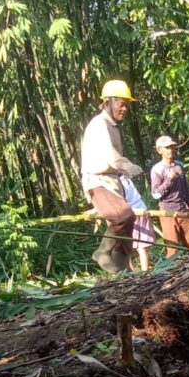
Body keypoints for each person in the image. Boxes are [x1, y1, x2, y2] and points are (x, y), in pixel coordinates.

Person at [81, 80, 143, 273]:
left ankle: (124, 270)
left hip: (112, 182)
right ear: (107, 102)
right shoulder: (99, 125)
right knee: (122, 216)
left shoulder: (113, 126)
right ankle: (102, 252)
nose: (124, 109)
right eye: (120, 104)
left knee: (128, 224)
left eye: (126, 105)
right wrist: (126, 165)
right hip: (98, 182)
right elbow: (109, 154)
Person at [149, 136, 189, 257]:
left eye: (172, 147)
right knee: (172, 248)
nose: (170, 150)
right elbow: (155, 194)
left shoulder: (179, 165)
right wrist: (169, 179)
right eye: (167, 147)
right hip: (167, 212)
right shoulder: (157, 170)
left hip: (183, 209)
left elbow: (185, 189)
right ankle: (174, 273)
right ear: (159, 150)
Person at [121, 175, 156, 271]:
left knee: (127, 247)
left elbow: (120, 200)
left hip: (132, 213)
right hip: (140, 209)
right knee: (140, 247)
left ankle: (138, 273)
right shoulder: (124, 177)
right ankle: (142, 272)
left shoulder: (117, 180)